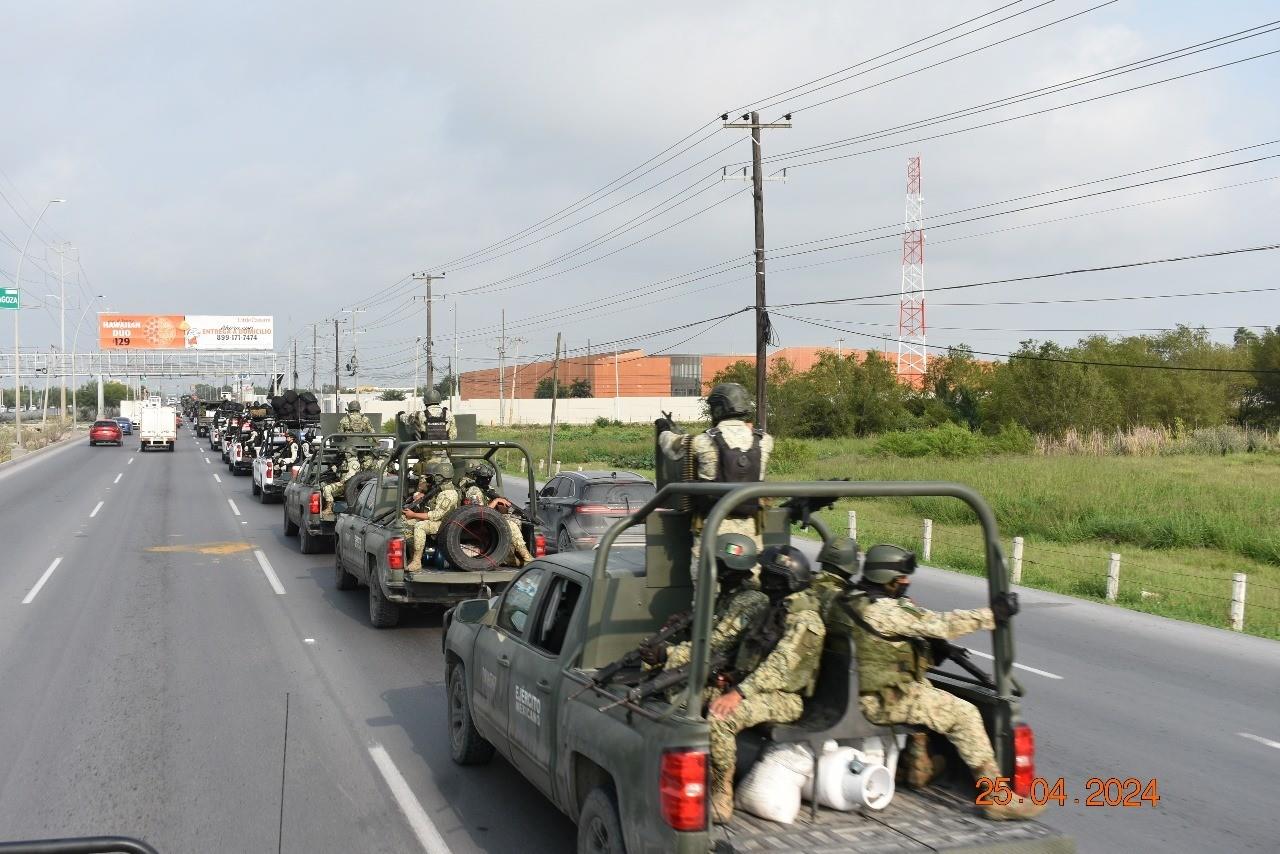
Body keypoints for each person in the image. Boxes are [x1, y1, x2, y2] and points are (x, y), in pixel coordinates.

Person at [837, 544, 1044, 821]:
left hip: (853, 692)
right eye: (901, 579)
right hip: (880, 700)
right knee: (963, 713)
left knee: (928, 693)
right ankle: (996, 797)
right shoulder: (886, 611)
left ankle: (916, 766)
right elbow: (943, 624)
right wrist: (993, 614)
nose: (906, 583)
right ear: (886, 578)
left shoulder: (848, 599)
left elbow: (880, 649)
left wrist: (932, 651)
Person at [705, 545, 825, 823]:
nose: (764, 580)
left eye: (770, 576)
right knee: (685, 696)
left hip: (786, 698)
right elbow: (751, 651)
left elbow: (780, 667)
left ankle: (721, 791)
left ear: (786, 581)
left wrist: (738, 692)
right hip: (754, 687)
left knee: (721, 719)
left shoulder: (805, 620)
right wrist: (731, 676)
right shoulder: (773, 608)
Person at [657, 382, 773, 574]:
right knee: (751, 582)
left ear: (718, 408)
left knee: (705, 589)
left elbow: (671, 447)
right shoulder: (764, 440)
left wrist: (664, 430)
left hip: (712, 529)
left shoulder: (701, 440)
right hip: (750, 531)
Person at [640, 533, 769, 671]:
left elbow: (718, 643)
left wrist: (665, 653)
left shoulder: (749, 599)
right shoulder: (730, 591)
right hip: (713, 656)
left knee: (674, 659)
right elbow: (714, 622)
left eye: (716, 562)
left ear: (730, 568)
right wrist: (688, 621)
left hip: (724, 665)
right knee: (652, 648)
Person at [459, 461, 533, 567]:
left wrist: (505, 505)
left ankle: (510, 556)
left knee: (515, 520)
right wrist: (495, 501)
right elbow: (479, 513)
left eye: (489, 478)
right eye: (485, 478)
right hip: (476, 522)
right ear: (478, 477)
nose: (488, 480)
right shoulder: (474, 491)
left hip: (489, 520)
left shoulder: (488, 489)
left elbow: (498, 504)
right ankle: (527, 557)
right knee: (510, 525)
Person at [402, 459, 460, 572]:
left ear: (439, 476)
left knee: (420, 526)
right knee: (405, 524)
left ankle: (417, 561)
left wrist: (414, 515)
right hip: (437, 520)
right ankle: (413, 556)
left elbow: (436, 515)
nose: (430, 478)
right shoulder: (438, 489)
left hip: (445, 524)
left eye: (433, 476)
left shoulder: (448, 494)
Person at [319, 448, 360, 520]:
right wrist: (336, 471)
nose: (346, 454)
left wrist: (343, 480)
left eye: (348, 453)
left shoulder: (354, 463)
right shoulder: (345, 462)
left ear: (352, 454)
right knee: (323, 486)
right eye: (346, 453)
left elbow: (351, 474)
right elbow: (341, 475)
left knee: (327, 488)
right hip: (344, 483)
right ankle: (328, 507)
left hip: (349, 485)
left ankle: (329, 509)